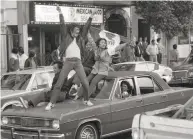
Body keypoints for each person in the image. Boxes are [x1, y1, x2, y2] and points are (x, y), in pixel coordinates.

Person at [46, 5, 98, 109]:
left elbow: (87, 26)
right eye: (76, 30)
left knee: (85, 82)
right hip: (68, 62)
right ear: (71, 30)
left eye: (79, 30)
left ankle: (86, 100)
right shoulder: (66, 36)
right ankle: (51, 103)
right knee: (59, 83)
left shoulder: (81, 38)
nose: (78, 32)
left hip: (78, 62)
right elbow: (62, 25)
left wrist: (92, 15)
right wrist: (60, 12)